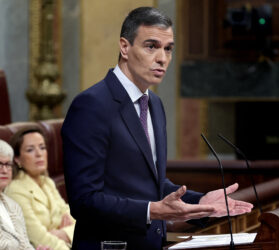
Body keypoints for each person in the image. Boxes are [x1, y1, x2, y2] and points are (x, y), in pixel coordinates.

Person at [61, 6, 253, 250]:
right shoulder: (91, 105)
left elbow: (151, 185)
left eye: (168, 49)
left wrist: (201, 202)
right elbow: (83, 201)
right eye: (151, 46)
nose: (162, 58)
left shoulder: (154, 104)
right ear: (124, 47)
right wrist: (153, 210)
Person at [5, 127, 75, 250]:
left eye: (42, 147)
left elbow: (75, 218)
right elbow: (39, 238)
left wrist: (63, 233)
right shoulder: (15, 190)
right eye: (30, 150)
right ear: (17, 159)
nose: (39, 154)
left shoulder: (47, 182)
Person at [0, 139, 51, 250]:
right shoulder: (16, 191)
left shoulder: (13, 206)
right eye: (0, 164)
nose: (4, 170)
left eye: (8, 164)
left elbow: (24, 245)